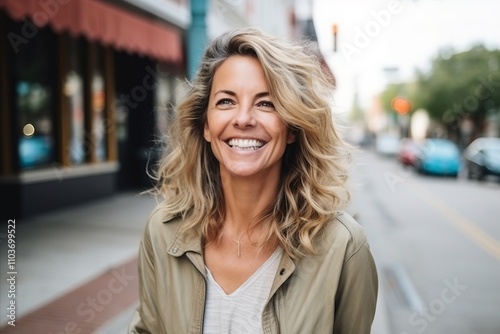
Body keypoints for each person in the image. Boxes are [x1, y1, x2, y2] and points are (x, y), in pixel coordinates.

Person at [128, 27, 378, 334]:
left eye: (266, 103)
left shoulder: (343, 247)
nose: (243, 118)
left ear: (292, 128)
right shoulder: (163, 231)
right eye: (225, 102)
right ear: (205, 125)